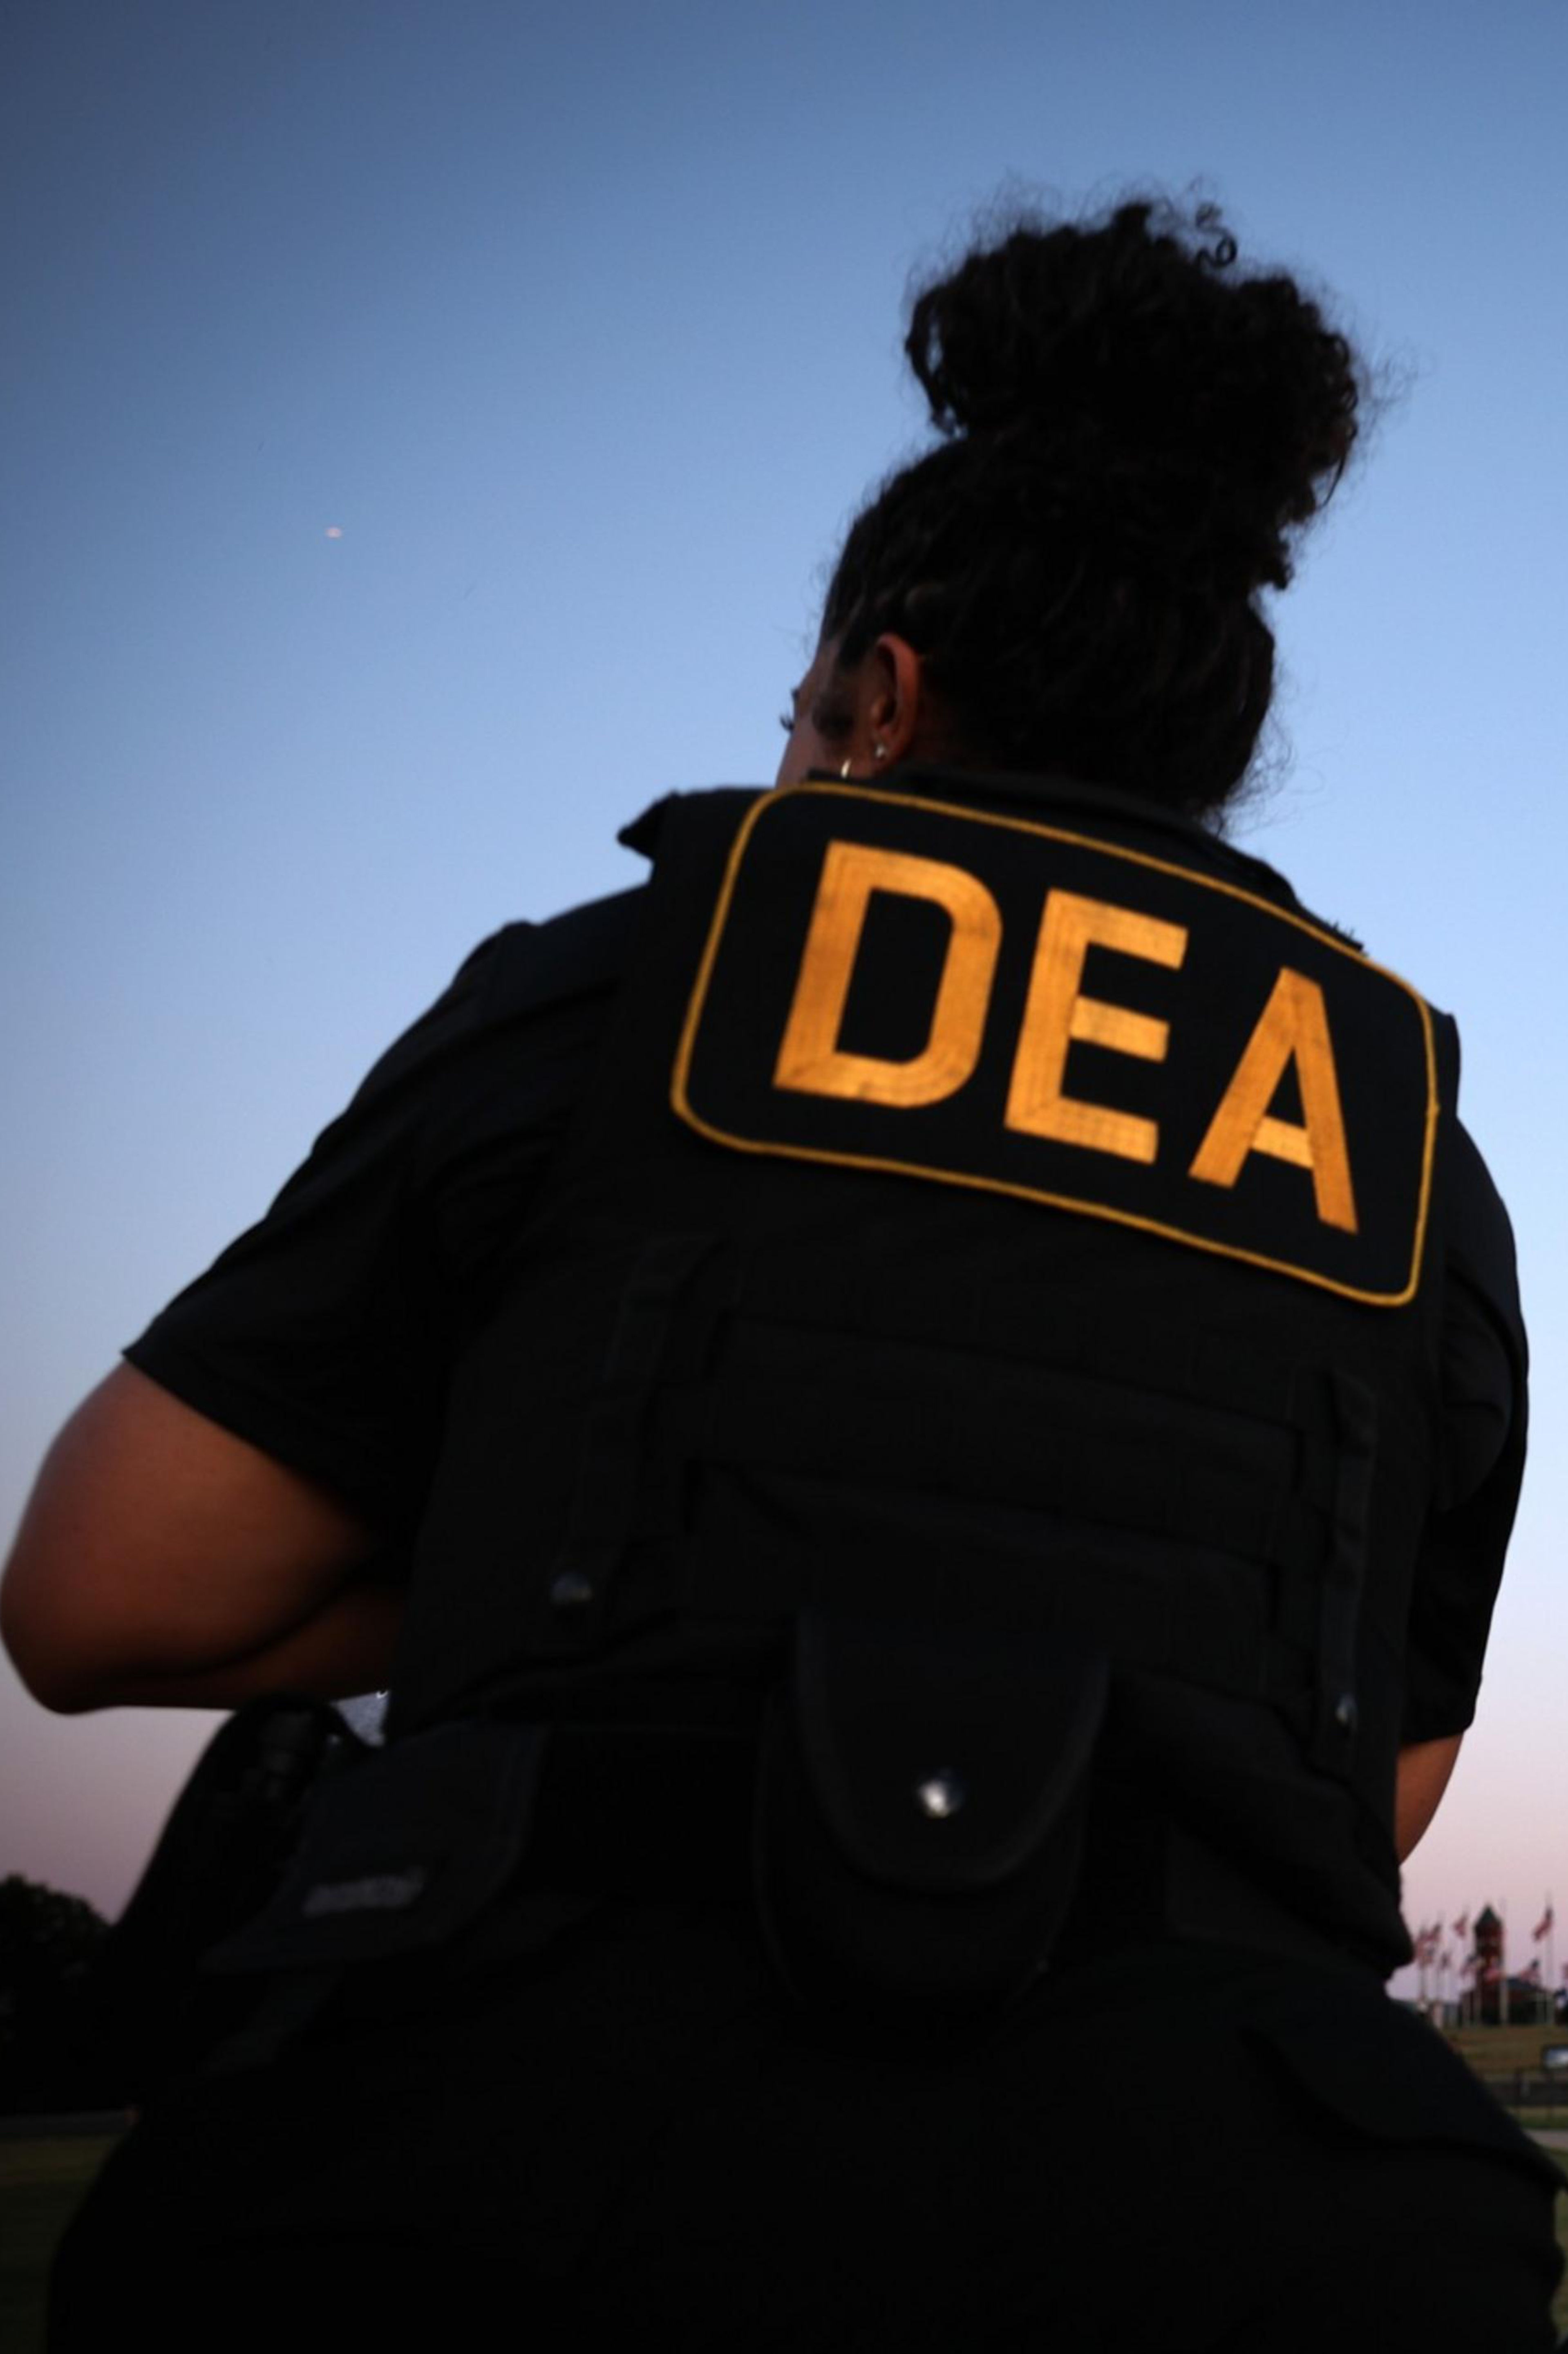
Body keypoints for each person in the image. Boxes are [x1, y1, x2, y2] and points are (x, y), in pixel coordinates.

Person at [5, 197, 1562, 2351]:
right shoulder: (1418, 1157)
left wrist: (617, 1567)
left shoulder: (635, 974)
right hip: (1252, 2238)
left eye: (796, 711)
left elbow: (102, 1592)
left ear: (878, 702)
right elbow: (1361, 1790)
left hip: (512, 2181)